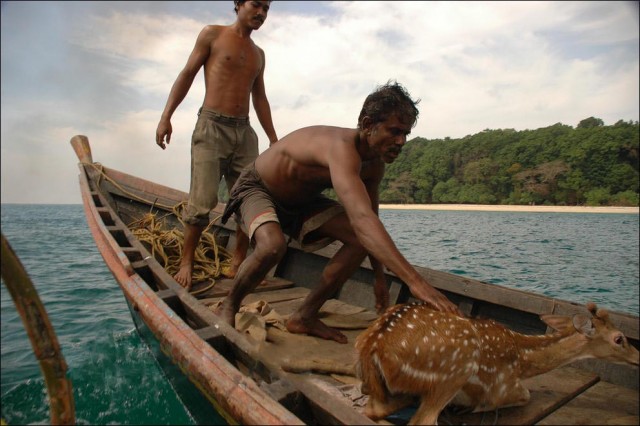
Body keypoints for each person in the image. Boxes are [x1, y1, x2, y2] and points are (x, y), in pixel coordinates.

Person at [219, 81, 461, 344]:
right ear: (368, 125)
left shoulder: (374, 165)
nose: (401, 141)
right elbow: (361, 218)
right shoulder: (341, 148)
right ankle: (229, 305)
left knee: (359, 240)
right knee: (272, 246)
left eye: (405, 133)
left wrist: (380, 277)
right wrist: (416, 282)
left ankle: (304, 316)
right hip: (259, 188)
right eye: (394, 131)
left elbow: (370, 219)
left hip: (303, 202)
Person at [155, 0, 278, 290]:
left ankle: (237, 261)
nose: (261, 13)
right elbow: (187, 74)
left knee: (247, 197)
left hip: (244, 132)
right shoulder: (212, 34)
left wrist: (273, 137)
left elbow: (259, 98)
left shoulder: (259, 54)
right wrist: (166, 116)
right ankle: (187, 261)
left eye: (267, 9)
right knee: (202, 199)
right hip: (211, 128)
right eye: (256, 5)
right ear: (238, 4)